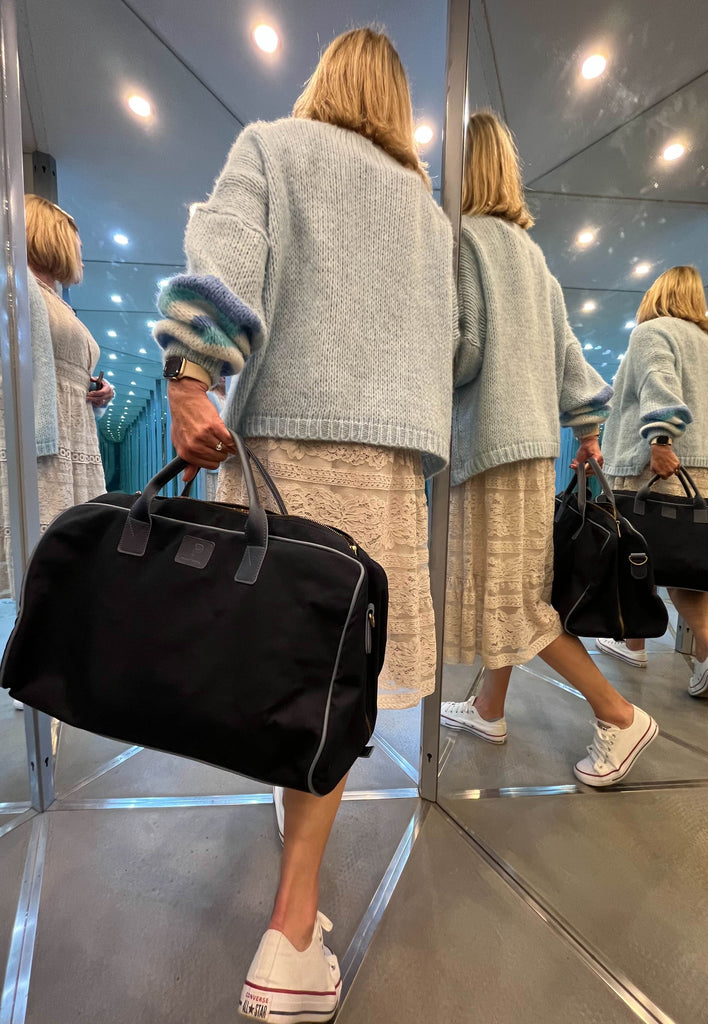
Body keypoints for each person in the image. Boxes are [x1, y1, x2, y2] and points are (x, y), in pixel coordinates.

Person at [152, 29, 455, 1022]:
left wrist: (189, 379)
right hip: (388, 470)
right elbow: (450, 349)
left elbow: (225, 261)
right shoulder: (427, 214)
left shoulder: (276, 148)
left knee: (285, 667)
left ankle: (289, 925)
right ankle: (294, 914)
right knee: (332, 682)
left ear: (325, 81)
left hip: (285, 448)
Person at [439, 111, 657, 789]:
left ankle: (619, 713)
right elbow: (571, 361)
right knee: (513, 588)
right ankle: (489, 708)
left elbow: (462, 349)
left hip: (488, 446)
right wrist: (587, 435)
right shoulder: (534, 261)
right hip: (533, 452)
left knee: (517, 606)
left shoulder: (462, 243)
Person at [597, 266, 708, 697]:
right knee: (683, 564)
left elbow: (659, 383)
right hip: (697, 468)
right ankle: (706, 654)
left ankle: (635, 642)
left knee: (634, 555)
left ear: (657, 293)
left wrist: (660, 439)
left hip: (654, 461)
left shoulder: (652, 332)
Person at [24, 196, 114, 528]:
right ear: (52, 238)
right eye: (77, 244)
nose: (81, 257)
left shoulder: (54, 302)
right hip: (44, 451)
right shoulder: (18, 291)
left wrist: (99, 391)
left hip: (74, 437)